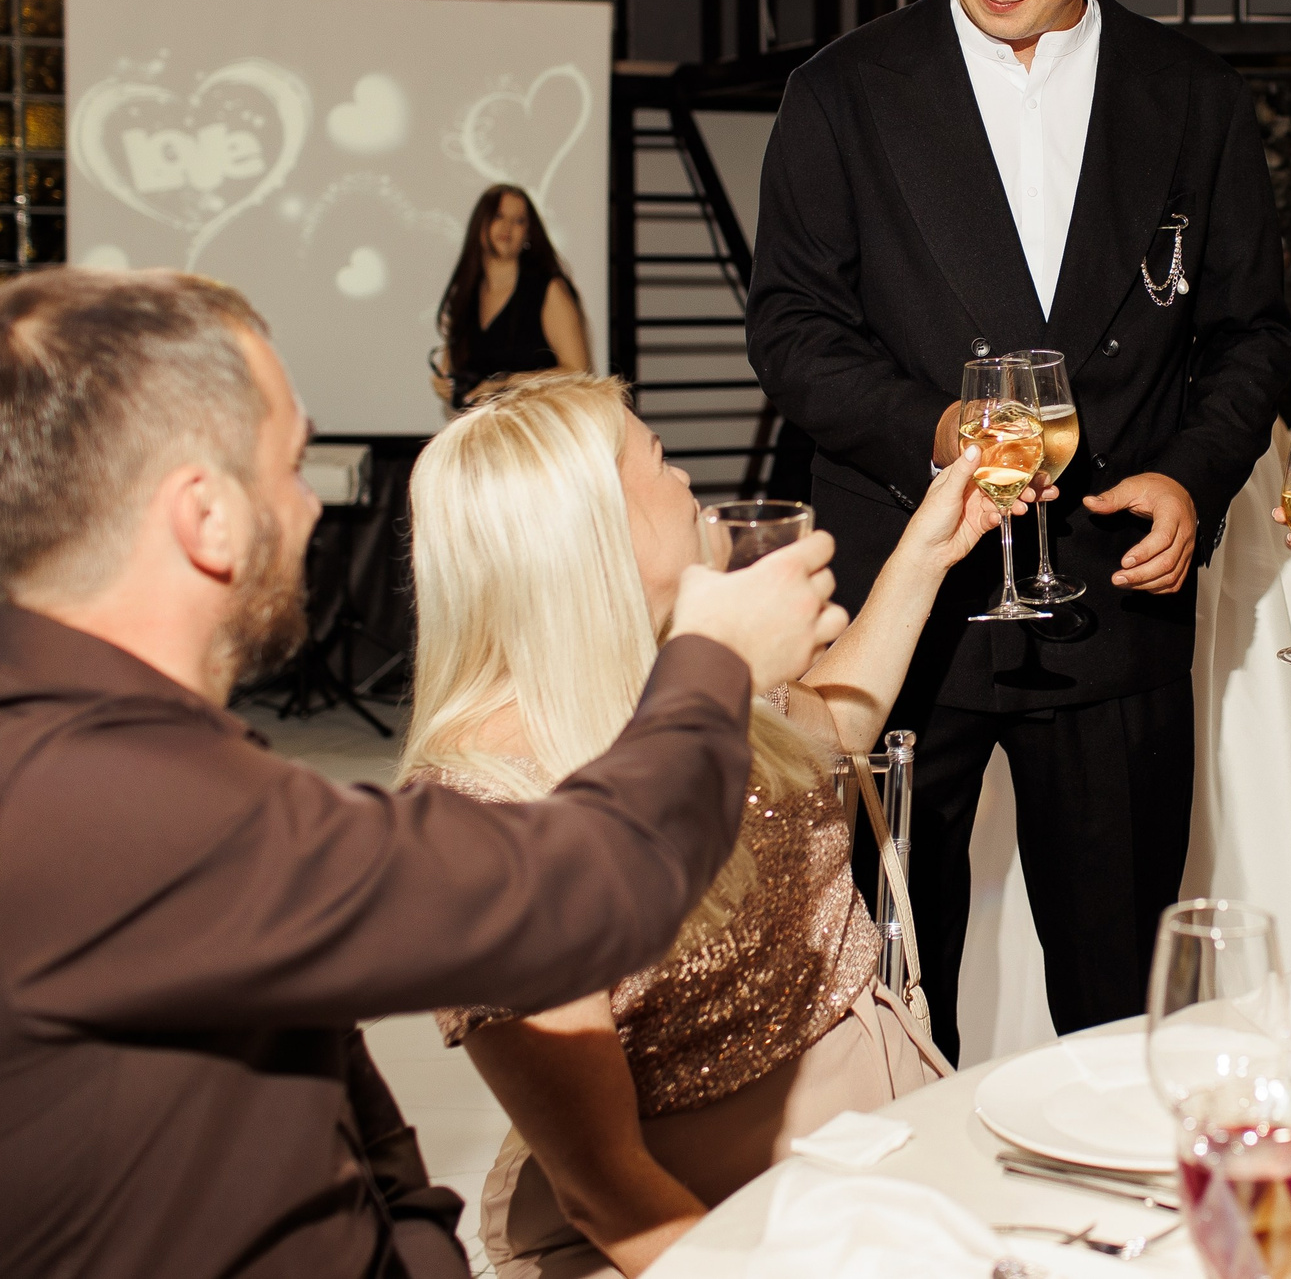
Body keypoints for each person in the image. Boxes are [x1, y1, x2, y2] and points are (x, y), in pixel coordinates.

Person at [0, 267, 844, 1279]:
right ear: (205, 516)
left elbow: (337, 1105)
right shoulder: (79, 810)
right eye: (292, 466)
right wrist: (714, 659)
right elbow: (582, 891)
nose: (310, 511)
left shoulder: (61, 763)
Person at [747, 0, 1291, 1060]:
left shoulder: (1194, 100)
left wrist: (1193, 475)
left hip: (1114, 606)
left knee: (1118, 1003)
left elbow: (1254, 333)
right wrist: (936, 431)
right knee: (870, 976)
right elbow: (791, 332)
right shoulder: (841, 94)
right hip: (901, 608)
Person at [400, 376, 1017, 1277]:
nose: (685, 474)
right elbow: (606, 1188)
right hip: (685, 1214)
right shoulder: (478, 812)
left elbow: (833, 734)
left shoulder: (686, 653)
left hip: (877, 1115)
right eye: (656, 458)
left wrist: (929, 547)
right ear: (589, 528)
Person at [434, 182, 591, 410]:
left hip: (538, 431)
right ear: (480, 224)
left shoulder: (548, 290)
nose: (507, 227)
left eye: (519, 221)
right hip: (482, 435)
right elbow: (450, 368)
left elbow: (578, 373)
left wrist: (507, 384)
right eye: (499, 216)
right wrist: (442, 384)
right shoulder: (465, 294)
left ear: (528, 233)